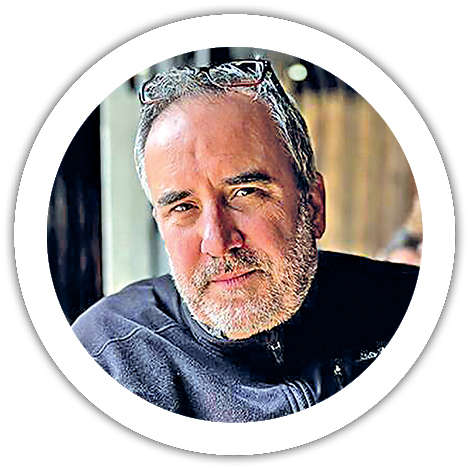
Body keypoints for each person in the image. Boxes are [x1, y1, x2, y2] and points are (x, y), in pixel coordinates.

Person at [73, 59, 418, 422]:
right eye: (183, 207)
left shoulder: (411, 307)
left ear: (313, 205)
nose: (218, 242)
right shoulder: (106, 357)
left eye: (246, 192)